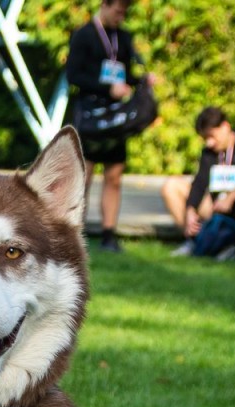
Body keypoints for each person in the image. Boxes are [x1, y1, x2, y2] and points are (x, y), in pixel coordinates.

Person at [64, 0, 161, 253]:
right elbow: (74, 75)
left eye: (125, 13)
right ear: (105, 6)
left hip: (116, 117)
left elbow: (125, 73)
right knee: (82, 175)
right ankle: (74, 234)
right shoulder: (84, 35)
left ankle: (109, 234)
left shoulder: (124, 38)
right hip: (90, 116)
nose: (121, 17)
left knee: (114, 175)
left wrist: (142, 80)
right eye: (118, 11)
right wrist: (106, 87)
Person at [160, 106, 235, 260]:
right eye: (205, 138)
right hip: (214, 208)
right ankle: (192, 240)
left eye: (212, 136)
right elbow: (200, 181)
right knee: (171, 185)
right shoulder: (209, 152)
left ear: (225, 127)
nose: (209, 143)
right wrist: (190, 210)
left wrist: (231, 197)